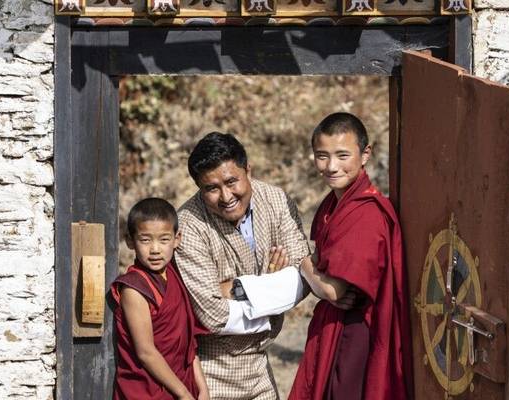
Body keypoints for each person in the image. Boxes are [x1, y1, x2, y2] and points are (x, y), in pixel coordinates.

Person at [176, 132, 310, 399]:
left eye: (231, 181)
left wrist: (237, 288)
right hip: (212, 371)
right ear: (199, 188)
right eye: (211, 188)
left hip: (260, 367)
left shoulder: (275, 199)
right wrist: (273, 289)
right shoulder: (188, 226)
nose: (226, 196)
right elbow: (213, 316)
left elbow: (304, 275)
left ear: (248, 169)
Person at [289, 113, 413, 400]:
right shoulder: (336, 203)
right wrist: (319, 278)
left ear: (365, 154)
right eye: (322, 156)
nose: (332, 166)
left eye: (342, 155)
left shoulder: (366, 213)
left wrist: (303, 263)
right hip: (338, 325)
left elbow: (333, 290)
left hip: (357, 333)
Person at [110, 198, 209, 400]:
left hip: (182, 384)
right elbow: (146, 352)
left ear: (177, 239)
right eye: (145, 240)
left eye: (164, 240)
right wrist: (183, 394)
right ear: (130, 241)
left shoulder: (175, 276)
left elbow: (188, 343)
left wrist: (202, 388)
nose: (155, 249)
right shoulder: (134, 289)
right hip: (148, 390)